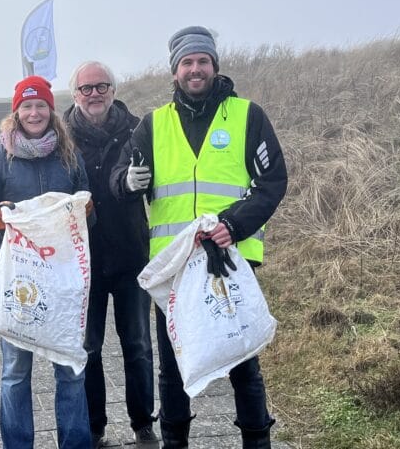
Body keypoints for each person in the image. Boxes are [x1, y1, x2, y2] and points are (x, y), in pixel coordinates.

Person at [111, 26, 288, 449]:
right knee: (172, 364)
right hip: (174, 264)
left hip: (229, 257)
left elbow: (272, 180)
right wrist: (127, 182)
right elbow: (118, 178)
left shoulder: (248, 116)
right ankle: (175, 442)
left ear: (214, 66)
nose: (195, 69)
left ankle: (257, 440)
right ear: (175, 72)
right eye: (187, 63)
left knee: (242, 357)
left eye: (202, 61)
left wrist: (235, 224)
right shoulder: (153, 125)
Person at [0, 75, 93, 449]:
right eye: (27, 106)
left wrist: (86, 210)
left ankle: (75, 443)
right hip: (18, 282)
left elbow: (90, 215)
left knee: (71, 368)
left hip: (64, 279)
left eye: (41, 105)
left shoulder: (70, 155)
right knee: (14, 372)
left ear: (50, 111)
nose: (35, 112)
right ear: (16, 112)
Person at [62, 62, 159, 448]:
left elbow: (152, 177)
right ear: (75, 95)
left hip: (131, 252)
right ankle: (95, 427)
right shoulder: (61, 136)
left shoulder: (138, 129)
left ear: (114, 91)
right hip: (82, 260)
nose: (94, 94)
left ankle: (143, 423)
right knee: (89, 347)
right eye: (86, 88)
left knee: (137, 342)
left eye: (102, 86)